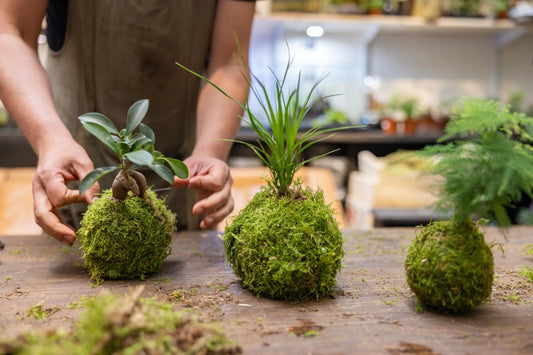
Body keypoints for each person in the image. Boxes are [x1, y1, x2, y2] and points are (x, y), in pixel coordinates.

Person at [0, 0, 256, 246]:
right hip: (73, 175)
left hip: (183, 176)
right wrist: (49, 140)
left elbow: (230, 63)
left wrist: (210, 152)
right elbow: (10, 34)